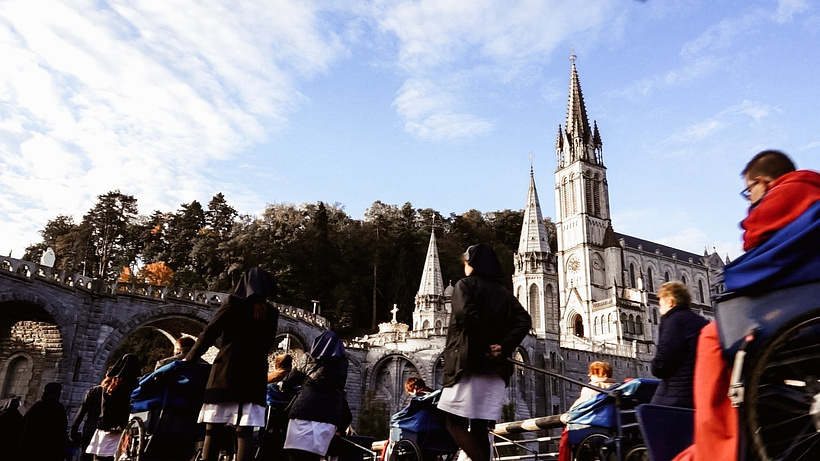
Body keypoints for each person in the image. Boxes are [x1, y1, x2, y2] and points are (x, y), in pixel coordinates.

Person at [675, 150, 820, 461]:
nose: (750, 200)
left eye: (749, 191)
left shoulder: (785, 195)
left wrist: (734, 278)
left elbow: (755, 242)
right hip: (809, 302)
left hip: (799, 311)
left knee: (712, 339)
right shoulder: (814, 189)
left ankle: (717, 450)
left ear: (762, 182)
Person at [438, 243, 532, 461]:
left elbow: (466, 314)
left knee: (453, 422)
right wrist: (502, 346)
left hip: (468, 365)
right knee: (480, 427)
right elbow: (523, 321)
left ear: (472, 263)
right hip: (495, 370)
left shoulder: (465, 285)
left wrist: (483, 345)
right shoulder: (504, 293)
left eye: (466, 262)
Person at [186, 267, 280, 461]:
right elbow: (268, 343)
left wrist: (190, 359)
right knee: (244, 432)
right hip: (254, 376)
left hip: (226, 373)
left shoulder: (233, 303)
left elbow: (209, 333)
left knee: (213, 431)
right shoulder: (271, 312)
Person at [283, 330, 350, 461]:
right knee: (315, 456)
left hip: (303, 411)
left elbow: (289, 381)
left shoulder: (308, 358)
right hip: (329, 415)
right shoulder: (342, 364)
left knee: (295, 454)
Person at [650, 282, 708, 408]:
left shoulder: (673, 321)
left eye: (660, 305)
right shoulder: (701, 321)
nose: (660, 311)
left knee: (647, 415)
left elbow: (663, 363)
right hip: (700, 392)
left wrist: (654, 366)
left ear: (670, 302)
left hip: (677, 395)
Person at [86, 354, 142, 461]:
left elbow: (106, 406)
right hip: (125, 429)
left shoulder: (110, 384)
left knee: (101, 456)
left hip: (108, 429)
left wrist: (108, 425)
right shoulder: (136, 385)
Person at [558, 361, 617, 461]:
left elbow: (577, 408)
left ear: (597, 373)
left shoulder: (590, 389)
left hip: (594, 427)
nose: (589, 375)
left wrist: (566, 417)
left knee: (567, 432)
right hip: (615, 427)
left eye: (592, 372)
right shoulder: (617, 387)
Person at [19, 382, 67, 461]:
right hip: (49, 450)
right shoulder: (58, 409)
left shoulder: (38, 407)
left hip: (34, 448)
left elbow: (25, 428)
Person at [70, 380, 105, 461]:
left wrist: (73, 429)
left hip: (90, 430)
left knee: (86, 456)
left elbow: (82, 411)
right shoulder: (116, 393)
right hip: (105, 431)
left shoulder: (95, 391)